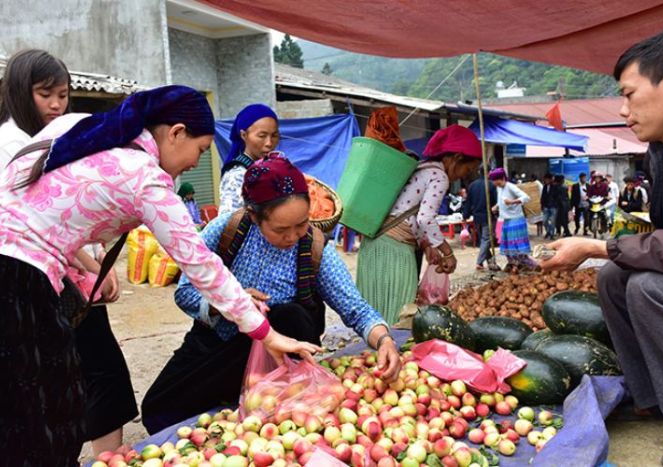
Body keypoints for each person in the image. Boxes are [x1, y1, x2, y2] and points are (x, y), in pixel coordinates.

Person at [0, 85, 318, 465]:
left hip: (24, 271)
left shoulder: (79, 127)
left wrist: (80, 270)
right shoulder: (145, 178)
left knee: (31, 401)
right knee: (42, 411)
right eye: (200, 150)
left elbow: (35, 200)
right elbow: (200, 265)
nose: (195, 164)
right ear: (176, 132)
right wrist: (265, 333)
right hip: (20, 280)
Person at [142, 155, 401, 433]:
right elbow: (185, 292)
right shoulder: (229, 229)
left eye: (301, 224)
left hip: (281, 361)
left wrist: (384, 339)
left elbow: (355, 308)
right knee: (158, 409)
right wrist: (229, 303)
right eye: (281, 229)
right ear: (254, 216)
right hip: (220, 347)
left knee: (290, 314)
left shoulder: (313, 247)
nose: (293, 236)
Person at [540, 24, 663, 467]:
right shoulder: (662, 153)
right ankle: (651, 395)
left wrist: (595, 246)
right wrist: (610, 254)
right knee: (615, 278)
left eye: (629, 94)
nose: (624, 109)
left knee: (650, 288)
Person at [0, 49, 138, 456]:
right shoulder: (13, 145)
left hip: (58, 275)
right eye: (46, 94)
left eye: (63, 94)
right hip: (36, 278)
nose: (57, 104)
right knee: (89, 372)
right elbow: (39, 219)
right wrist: (93, 265)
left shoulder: (41, 137)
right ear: (20, 92)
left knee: (79, 373)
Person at [357, 124, 481, 325]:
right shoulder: (439, 176)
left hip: (375, 246)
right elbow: (425, 218)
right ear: (457, 158)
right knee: (399, 315)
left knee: (374, 315)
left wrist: (427, 245)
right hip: (394, 251)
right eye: (468, 169)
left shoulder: (421, 168)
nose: (464, 175)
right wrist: (447, 252)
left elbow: (409, 213)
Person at [219, 104, 279, 217]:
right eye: (262, 136)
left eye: (274, 136)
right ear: (244, 135)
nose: (269, 143)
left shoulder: (270, 168)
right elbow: (228, 224)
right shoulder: (237, 175)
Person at [489, 168, 536, 272]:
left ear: (501, 178)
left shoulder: (510, 186)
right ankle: (514, 266)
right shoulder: (499, 188)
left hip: (515, 219)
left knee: (517, 248)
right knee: (506, 246)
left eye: (495, 180)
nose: (493, 183)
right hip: (503, 219)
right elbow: (501, 201)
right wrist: (496, 206)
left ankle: (533, 266)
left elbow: (526, 197)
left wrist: (512, 202)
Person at [463, 169, 499, 271]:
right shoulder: (491, 185)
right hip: (487, 216)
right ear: (489, 173)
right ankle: (479, 262)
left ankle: (491, 262)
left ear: (480, 172)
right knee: (486, 240)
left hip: (477, 217)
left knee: (484, 240)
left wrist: (465, 215)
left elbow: (468, 202)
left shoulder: (472, 185)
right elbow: (496, 201)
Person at [540, 173, 557, 239]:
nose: (545, 180)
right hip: (546, 207)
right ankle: (548, 231)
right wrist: (542, 205)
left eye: (546, 179)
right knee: (544, 221)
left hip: (553, 207)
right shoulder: (544, 187)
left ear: (550, 179)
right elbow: (543, 196)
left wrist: (555, 204)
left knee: (552, 221)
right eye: (545, 179)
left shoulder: (555, 187)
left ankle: (552, 234)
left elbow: (557, 197)